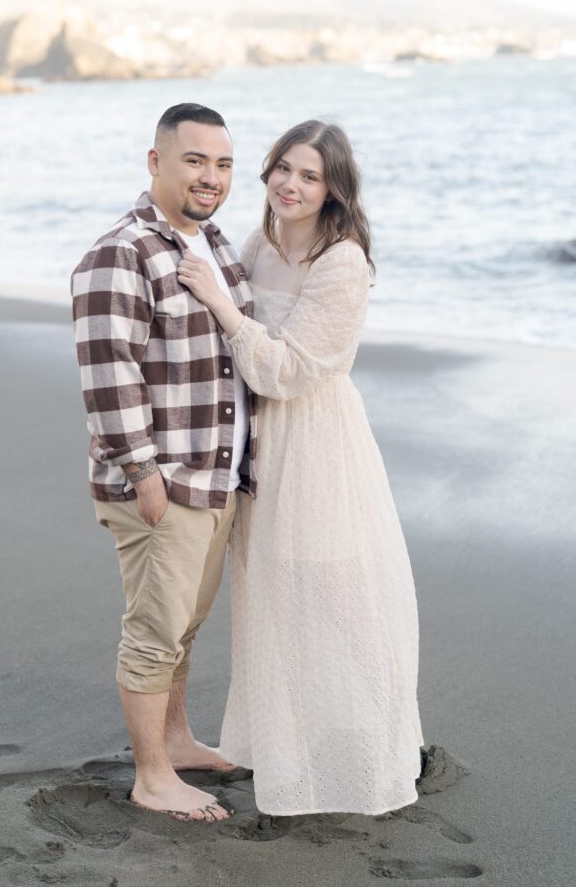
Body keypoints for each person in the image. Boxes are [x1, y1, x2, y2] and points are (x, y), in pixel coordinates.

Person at [177, 119, 424, 816]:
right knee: (274, 598)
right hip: (257, 446)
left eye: (309, 175)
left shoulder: (341, 260)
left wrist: (224, 308)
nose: (290, 184)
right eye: (283, 167)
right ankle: (290, 750)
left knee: (338, 594)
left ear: (333, 189)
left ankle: (375, 750)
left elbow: (289, 370)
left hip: (315, 444)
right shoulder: (259, 242)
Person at [70, 103, 257, 823]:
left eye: (224, 163)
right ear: (156, 163)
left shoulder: (218, 247)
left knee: (184, 624)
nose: (211, 177)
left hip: (214, 481)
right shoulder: (121, 252)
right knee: (154, 631)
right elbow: (107, 374)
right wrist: (146, 481)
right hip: (164, 485)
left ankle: (176, 741)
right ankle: (152, 776)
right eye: (194, 160)